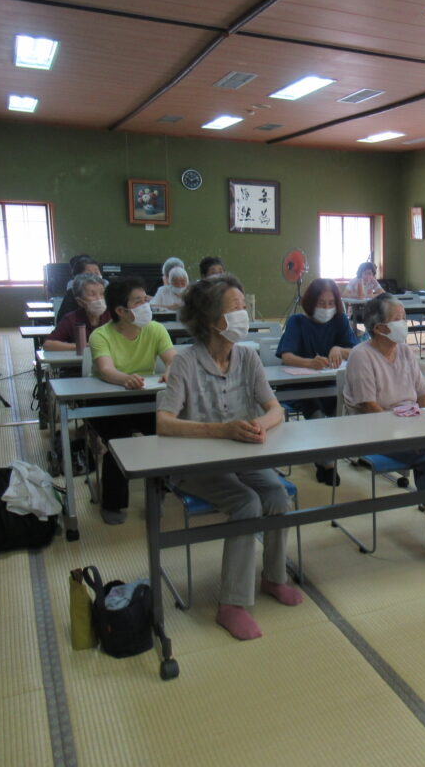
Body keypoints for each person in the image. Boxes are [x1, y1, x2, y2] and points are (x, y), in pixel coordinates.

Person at [157, 275, 301, 641]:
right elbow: (164, 423)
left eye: (243, 307)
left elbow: (274, 409)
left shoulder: (247, 357)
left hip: (242, 456)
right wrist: (221, 430)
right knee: (247, 502)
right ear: (211, 319)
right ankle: (232, 604)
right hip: (195, 464)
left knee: (276, 495)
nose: (243, 314)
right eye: (235, 308)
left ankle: (273, 577)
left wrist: (259, 425)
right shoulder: (186, 362)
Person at [344, 294, 425, 564]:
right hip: (377, 429)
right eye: (398, 319)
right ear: (379, 327)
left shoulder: (404, 351)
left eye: (404, 317)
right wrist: (408, 435)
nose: (404, 323)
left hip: (412, 424)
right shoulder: (361, 356)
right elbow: (369, 406)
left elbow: (423, 395)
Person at [88, 276, 176, 524]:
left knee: (165, 433)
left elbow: (173, 358)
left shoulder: (155, 329)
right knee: (119, 442)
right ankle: (113, 503)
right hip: (108, 403)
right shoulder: (100, 335)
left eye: (145, 299)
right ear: (121, 311)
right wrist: (125, 379)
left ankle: (158, 491)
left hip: (145, 398)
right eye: (138, 301)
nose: (146, 304)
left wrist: (171, 370)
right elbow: (106, 370)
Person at [276, 277, 358, 486]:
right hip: (301, 386)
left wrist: (339, 349)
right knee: (318, 414)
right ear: (311, 302)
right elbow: (286, 356)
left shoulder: (340, 320)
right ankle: (326, 464)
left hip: (331, 384)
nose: (327, 308)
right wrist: (309, 363)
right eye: (322, 303)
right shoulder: (297, 322)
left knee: (339, 411)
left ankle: (327, 455)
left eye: (331, 303)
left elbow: (356, 351)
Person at [42, 274, 111, 351]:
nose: (99, 299)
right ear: (79, 301)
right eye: (92, 294)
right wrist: (82, 346)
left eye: (102, 293)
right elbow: (48, 345)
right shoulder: (72, 319)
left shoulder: (113, 315)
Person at [54, 255, 103, 325]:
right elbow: (62, 322)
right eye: (89, 274)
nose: (94, 276)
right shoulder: (72, 294)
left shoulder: (108, 292)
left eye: (96, 273)